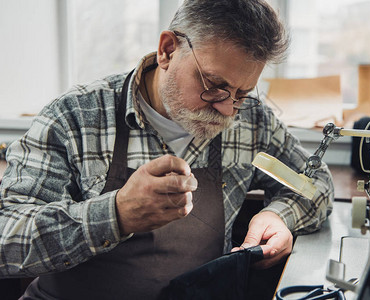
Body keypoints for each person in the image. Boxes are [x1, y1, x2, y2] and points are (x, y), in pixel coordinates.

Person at [0, 0, 334, 299]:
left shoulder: (253, 122)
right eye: (214, 86)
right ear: (168, 50)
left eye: (242, 94)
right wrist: (114, 215)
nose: (228, 109)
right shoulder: (76, 116)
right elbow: (7, 239)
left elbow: (315, 182)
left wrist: (279, 216)